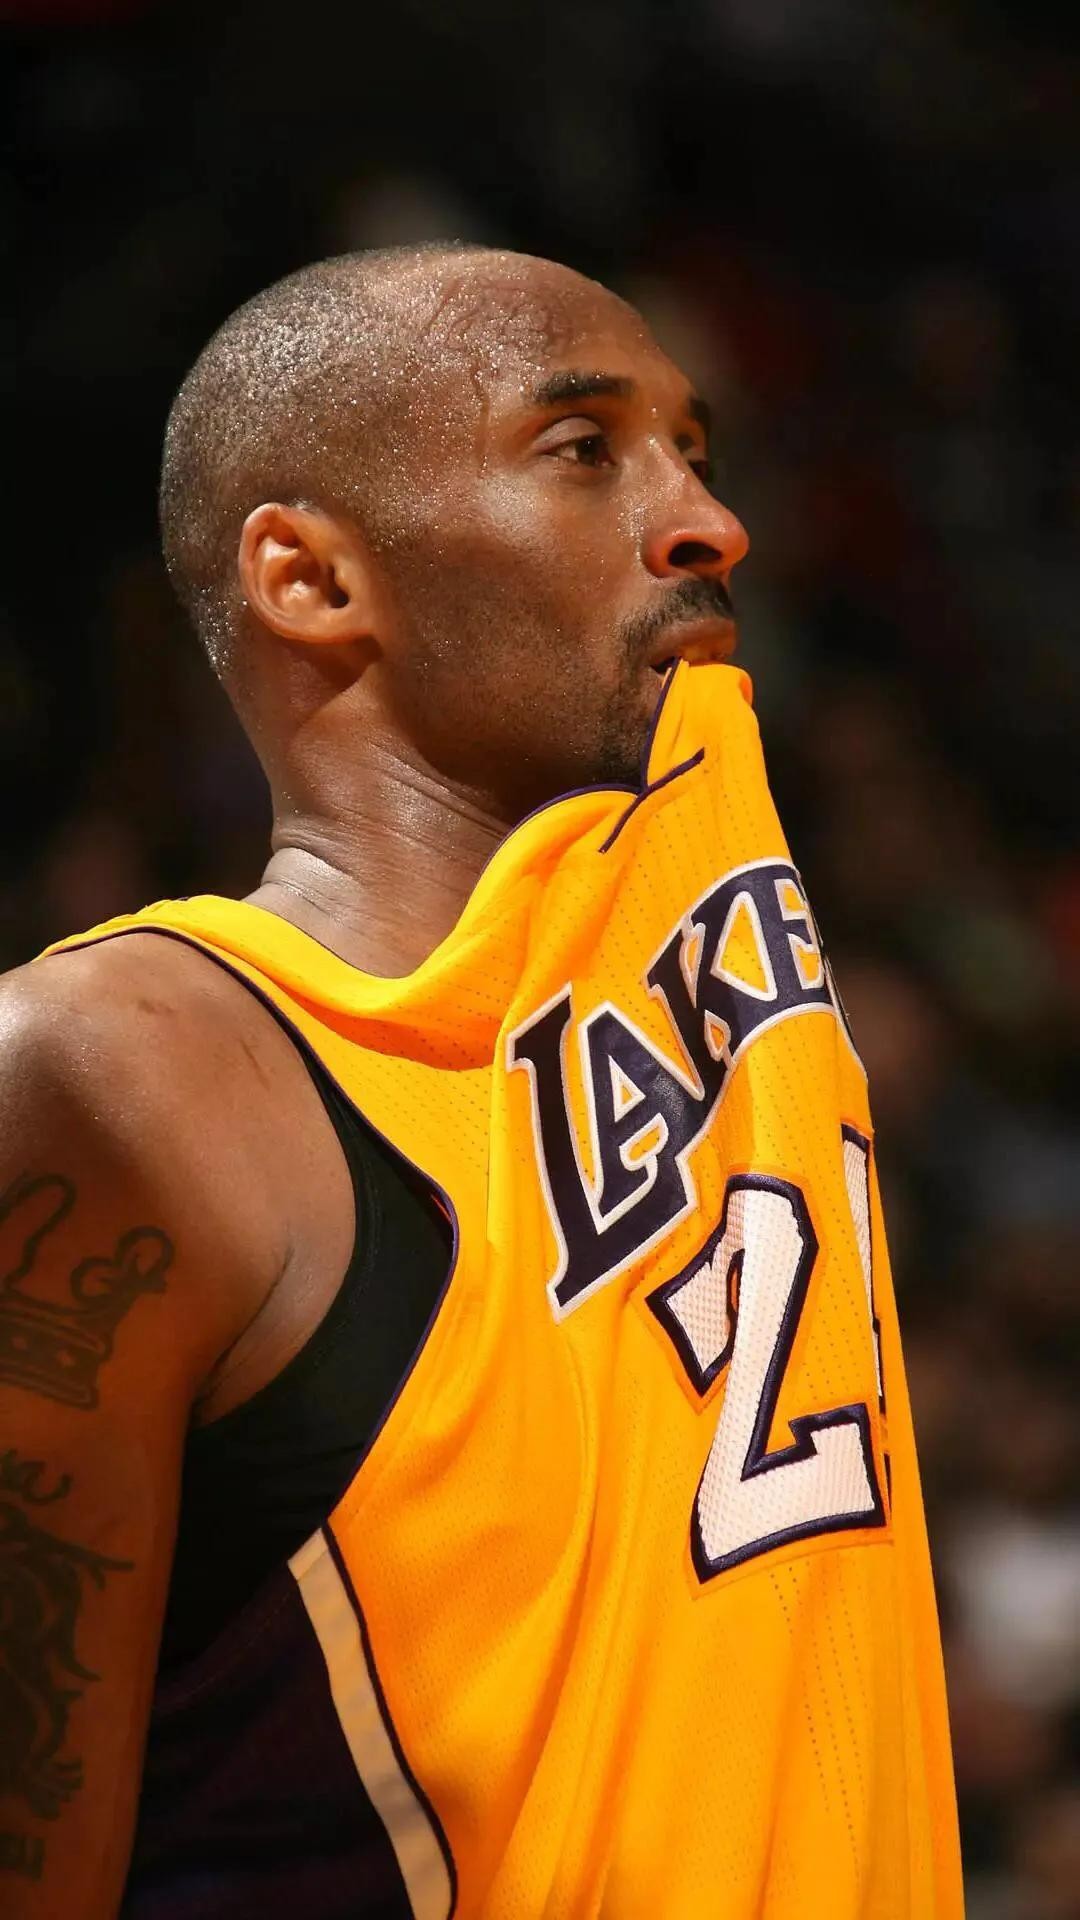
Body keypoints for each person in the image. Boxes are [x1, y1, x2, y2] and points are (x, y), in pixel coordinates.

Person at [0, 244, 963, 1918]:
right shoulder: (129, 1073)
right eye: (583, 450)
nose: (708, 524)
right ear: (311, 580)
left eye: (695, 451)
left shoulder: (706, 892)